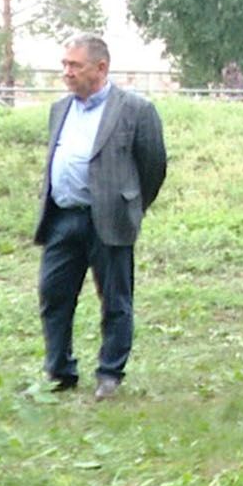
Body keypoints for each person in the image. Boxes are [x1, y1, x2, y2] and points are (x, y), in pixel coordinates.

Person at [34, 34, 167, 399]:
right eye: (64, 65)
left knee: (115, 299)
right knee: (53, 294)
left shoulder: (136, 110)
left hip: (108, 219)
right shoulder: (59, 109)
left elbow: (153, 167)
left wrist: (130, 206)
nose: (67, 72)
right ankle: (59, 371)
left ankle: (110, 373)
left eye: (74, 65)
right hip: (63, 217)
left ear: (101, 68)